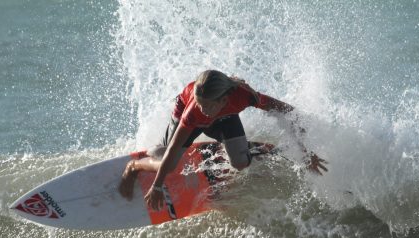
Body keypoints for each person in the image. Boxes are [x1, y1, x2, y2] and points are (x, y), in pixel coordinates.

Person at [118, 69, 327, 211]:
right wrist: (157, 186)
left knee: (241, 163)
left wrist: (306, 152)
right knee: (165, 159)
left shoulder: (243, 97)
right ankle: (134, 166)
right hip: (184, 114)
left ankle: (237, 147)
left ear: (224, 100)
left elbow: (287, 112)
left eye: (206, 106)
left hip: (225, 118)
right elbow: (173, 149)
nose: (202, 109)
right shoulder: (194, 112)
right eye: (199, 104)